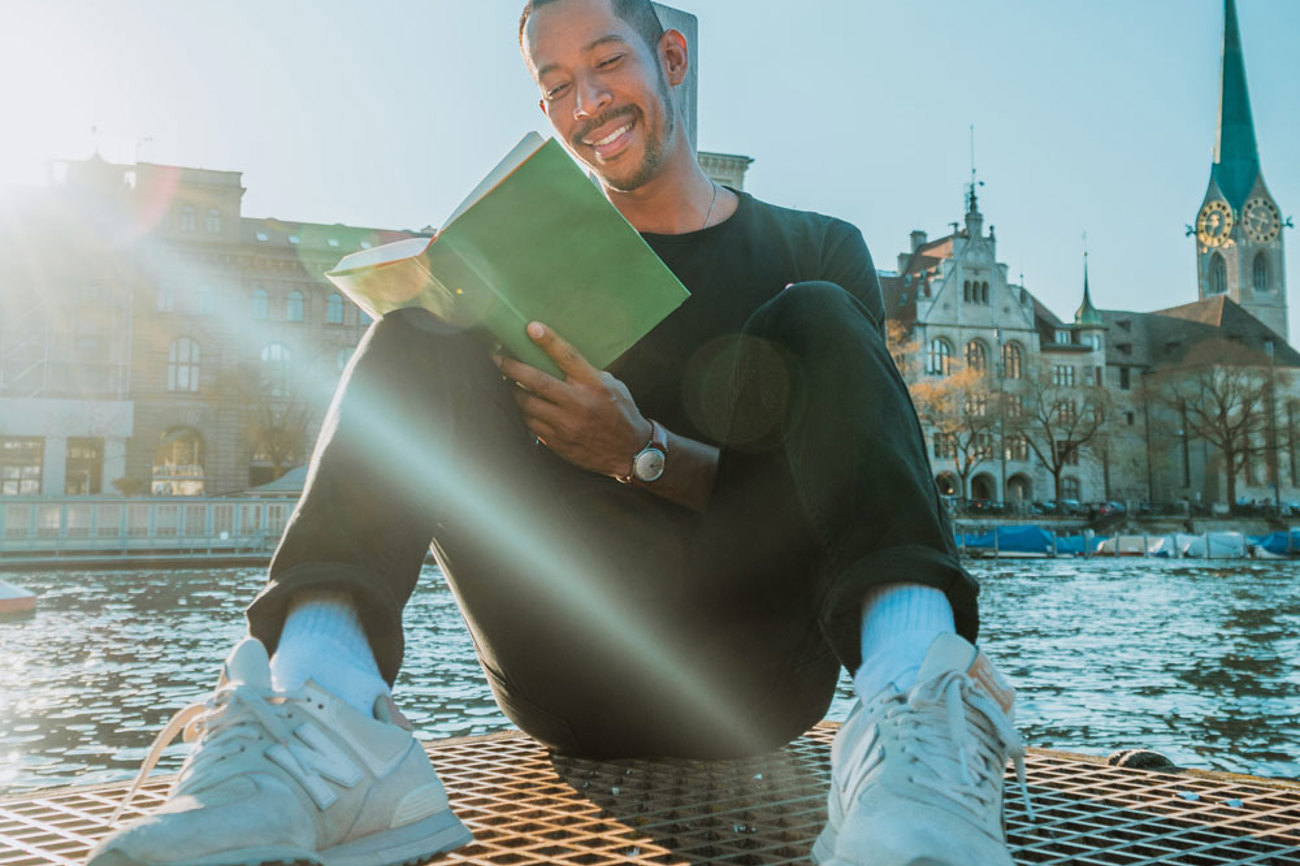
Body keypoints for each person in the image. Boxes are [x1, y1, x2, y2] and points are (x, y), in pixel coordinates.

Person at [88, 2, 1027, 865]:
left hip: (756, 679)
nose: (586, 103)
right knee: (421, 325)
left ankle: (915, 733)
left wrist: (640, 451)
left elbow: (839, 501)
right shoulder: (525, 263)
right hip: (567, 678)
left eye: (607, 64)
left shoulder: (815, 247)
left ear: (671, 59)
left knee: (820, 315)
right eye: (555, 87)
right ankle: (314, 721)